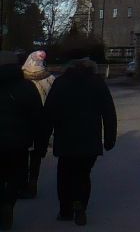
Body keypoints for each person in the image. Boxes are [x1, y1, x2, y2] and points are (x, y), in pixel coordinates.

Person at [38, 58, 116, 227]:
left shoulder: (61, 83)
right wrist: (110, 137)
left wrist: (42, 142)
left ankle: (65, 210)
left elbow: (49, 113)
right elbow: (109, 111)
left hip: (66, 137)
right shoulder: (97, 83)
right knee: (83, 174)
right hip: (90, 137)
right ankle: (80, 206)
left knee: (65, 173)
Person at [0, 59, 44, 231]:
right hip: (19, 142)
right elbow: (38, 118)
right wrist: (39, 144)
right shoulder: (27, 88)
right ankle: (8, 202)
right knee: (16, 176)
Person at [19, 52, 52, 200]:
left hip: (24, 120)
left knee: (21, 153)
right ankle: (33, 182)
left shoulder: (20, 79)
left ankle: (21, 183)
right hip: (43, 121)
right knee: (37, 154)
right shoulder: (50, 78)